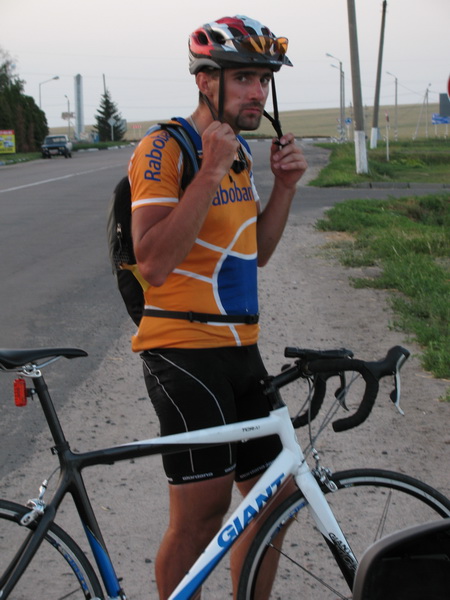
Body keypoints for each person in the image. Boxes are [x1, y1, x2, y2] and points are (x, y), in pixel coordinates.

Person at [128, 15, 307, 599]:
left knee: (274, 500)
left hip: (239, 348)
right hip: (182, 351)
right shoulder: (165, 147)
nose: (258, 92)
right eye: (245, 77)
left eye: (264, 79)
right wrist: (206, 169)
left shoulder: (238, 153)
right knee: (201, 517)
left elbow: (256, 254)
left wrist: (284, 188)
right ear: (206, 80)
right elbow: (153, 262)